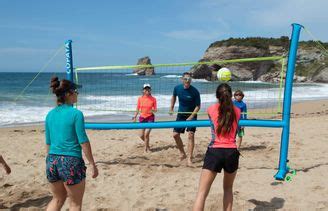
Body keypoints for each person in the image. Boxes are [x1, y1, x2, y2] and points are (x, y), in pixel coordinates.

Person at [45, 77, 99, 211]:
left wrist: (50, 161)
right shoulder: (76, 114)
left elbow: (48, 143)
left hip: (52, 160)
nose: (77, 94)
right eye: (75, 91)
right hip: (71, 161)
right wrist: (92, 164)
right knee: (75, 204)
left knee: (57, 199)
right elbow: (83, 141)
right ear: (68, 94)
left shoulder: (49, 114)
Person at [193, 83, 241, 211]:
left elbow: (215, 123)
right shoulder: (238, 111)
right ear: (231, 95)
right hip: (232, 152)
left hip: (215, 150)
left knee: (202, 194)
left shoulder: (211, 109)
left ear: (217, 96)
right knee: (228, 189)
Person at [170, 72, 201, 166]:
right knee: (175, 135)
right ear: (182, 79)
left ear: (191, 80)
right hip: (181, 114)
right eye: (186, 79)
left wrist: (191, 116)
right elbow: (174, 97)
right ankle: (182, 153)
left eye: (189, 79)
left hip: (192, 114)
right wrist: (171, 108)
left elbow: (198, 106)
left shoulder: (195, 91)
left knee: (191, 135)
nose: (187, 81)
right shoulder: (177, 88)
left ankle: (189, 158)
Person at [132, 83, 157, 152]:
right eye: (145, 89)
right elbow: (137, 109)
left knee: (146, 134)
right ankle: (148, 145)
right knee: (141, 135)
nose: (147, 90)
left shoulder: (153, 99)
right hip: (142, 117)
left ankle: (146, 149)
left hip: (150, 117)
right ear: (143, 90)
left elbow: (155, 110)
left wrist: (153, 110)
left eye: (148, 89)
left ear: (150, 90)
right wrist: (135, 117)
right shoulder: (140, 99)